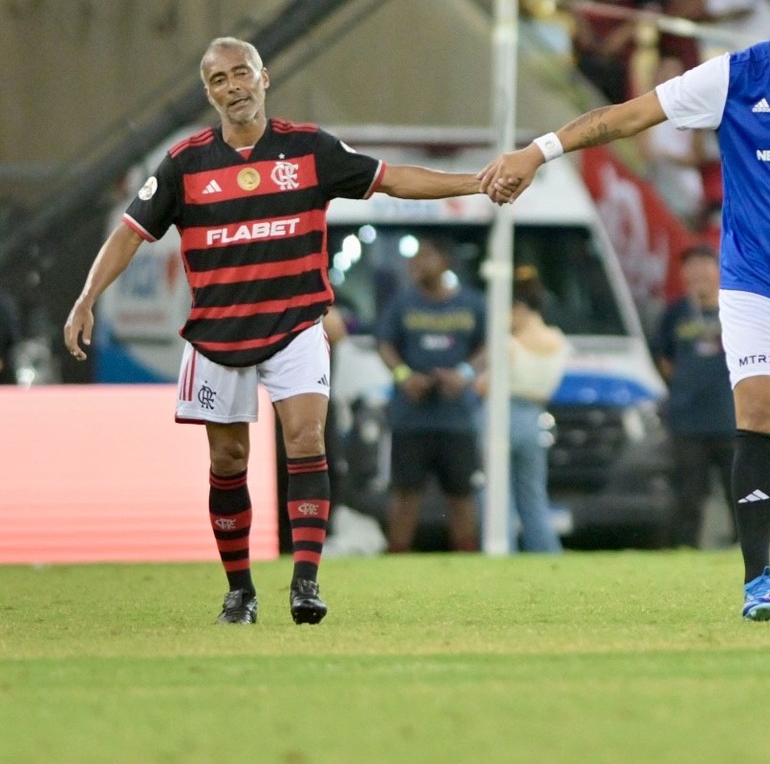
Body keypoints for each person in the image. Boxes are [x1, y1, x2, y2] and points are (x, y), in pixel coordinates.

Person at [481, 0, 770, 621]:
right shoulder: (732, 77)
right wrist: (538, 150)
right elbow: (624, 116)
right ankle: (757, 583)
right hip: (754, 282)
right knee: (760, 408)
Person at [64, 36, 501, 625]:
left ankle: (305, 582)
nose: (233, 87)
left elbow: (393, 179)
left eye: (240, 73)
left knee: (305, 440)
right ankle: (240, 591)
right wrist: (87, 296)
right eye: (218, 80)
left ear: (264, 77)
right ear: (209, 93)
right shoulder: (185, 164)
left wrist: (476, 183)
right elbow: (129, 233)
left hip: (297, 321)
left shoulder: (309, 150)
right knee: (229, 459)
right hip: (219, 331)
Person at [375, 235, 486, 553]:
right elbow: (385, 344)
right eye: (414, 259)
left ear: (444, 261)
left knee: (462, 493)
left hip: (457, 418)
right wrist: (404, 376)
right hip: (411, 418)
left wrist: (463, 375)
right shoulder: (403, 302)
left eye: (425, 257)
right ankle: (396, 558)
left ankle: (466, 559)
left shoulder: (471, 303)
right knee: (405, 494)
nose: (416, 265)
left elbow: (488, 346)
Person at [478, 265, 569, 553]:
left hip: (502, 415)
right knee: (533, 494)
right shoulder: (559, 341)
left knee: (497, 492)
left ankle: (502, 549)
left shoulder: (509, 344)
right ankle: (546, 552)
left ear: (518, 308)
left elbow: (485, 386)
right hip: (534, 416)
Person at [653, 244, 737, 549]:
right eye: (691, 266)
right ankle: (686, 551)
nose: (698, 272)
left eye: (705, 265)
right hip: (687, 422)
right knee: (688, 496)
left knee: (739, 493)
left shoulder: (735, 308)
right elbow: (664, 360)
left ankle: (747, 552)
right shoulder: (675, 314)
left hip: (731, 419)